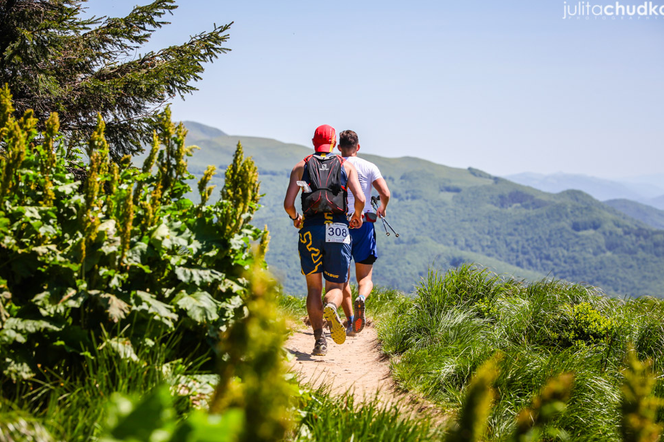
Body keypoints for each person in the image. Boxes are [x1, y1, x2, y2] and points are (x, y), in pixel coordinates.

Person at [283, 124, 365, 356]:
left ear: (313, 141)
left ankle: (320, 341)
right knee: (336, 286)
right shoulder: (345, 165)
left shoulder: (300, 166)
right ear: (332, 143)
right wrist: (356, 216)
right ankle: (331, 306)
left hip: (311, 229)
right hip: (338, 229)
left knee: (313, 288)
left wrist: (296, 218)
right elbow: (359, 198)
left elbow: (288, 205)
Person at [336, 130, 390, 336]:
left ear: (338, 148)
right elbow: (385, 193)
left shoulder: (336, 165)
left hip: (340, 225)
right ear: (358, 147)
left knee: (341, 278)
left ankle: (350, 321)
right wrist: (381, 208)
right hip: (364, 224)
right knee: (365, 277)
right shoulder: (369, 167)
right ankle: (363, 298)